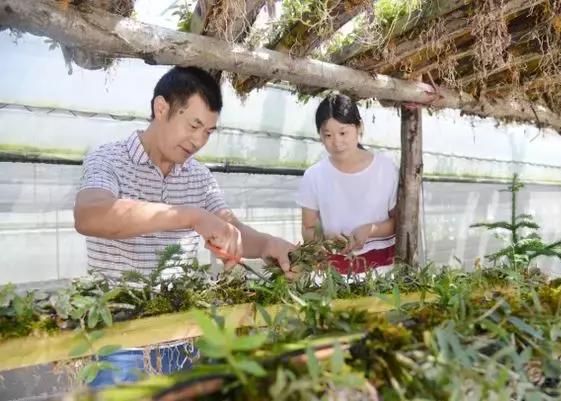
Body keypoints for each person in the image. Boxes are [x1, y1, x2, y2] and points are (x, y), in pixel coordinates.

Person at [73, 66, 296, 387]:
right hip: (120, 341)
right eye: (193, 125)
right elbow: (90, 215)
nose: (198, 140)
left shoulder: (199, 176)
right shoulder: (108, 160)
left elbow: (229, 228)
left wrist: (267, 244)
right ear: (161, 108)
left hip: (182, 333)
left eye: (208, 131)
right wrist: (189, 215)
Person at [296, 94, 399, 275]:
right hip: (335, 276)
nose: (336, 142)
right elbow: (308, 228)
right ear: (320, 135)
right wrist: (323, 240)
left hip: (383, 271)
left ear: (359, 127)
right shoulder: (314, 176)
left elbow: (399, 222)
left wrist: (370, 230)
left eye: (343, 133)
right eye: (328, 135)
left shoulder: (386, 169)